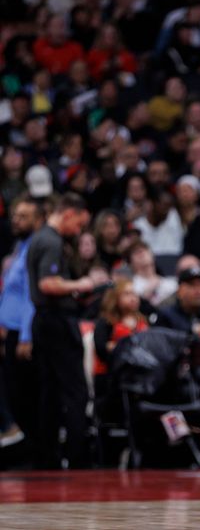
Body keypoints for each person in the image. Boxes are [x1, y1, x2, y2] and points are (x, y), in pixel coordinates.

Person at [26, 193, 94, 468]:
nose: (78, 231)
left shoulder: (40, 238)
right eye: (78, 224)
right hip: (56, 321)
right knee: (75, 390)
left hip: (44, 321)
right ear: (68, 214)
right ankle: (78, 459)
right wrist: (82, 284)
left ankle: (47, 457)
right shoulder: (51, 241)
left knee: (50, 391)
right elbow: (48, 284)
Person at [0, 198, 43, 447]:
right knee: (13, 392)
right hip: (10, 331)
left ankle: (25, 445)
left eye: (23, 216)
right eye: (15, 215)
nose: (16, 220)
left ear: (38, 220)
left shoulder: (32, 250)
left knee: (23, 394)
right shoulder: (20, 247)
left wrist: (26, 336)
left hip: (22, 333)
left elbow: (30, 296)